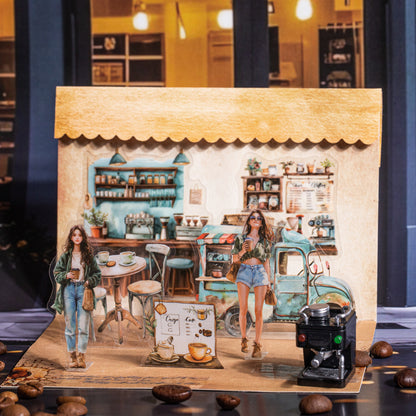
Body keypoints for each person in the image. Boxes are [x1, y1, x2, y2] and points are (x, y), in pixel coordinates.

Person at [52, 225, 101, 368]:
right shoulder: (66, 256)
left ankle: (82, 357)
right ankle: (72, 357)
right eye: (74, 235)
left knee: (83, 325)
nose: (77, 237)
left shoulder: (88, 256)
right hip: (68, 290)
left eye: (79, 235)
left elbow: (97, 273)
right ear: (71, 238)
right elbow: (57, 273)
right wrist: (66, 275)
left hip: (83, 290)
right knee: (70, 325)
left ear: (83, 237)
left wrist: (89, 281)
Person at [231, 210, 273, 358]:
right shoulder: (240, 238)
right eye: (253, 218)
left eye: (259, 218)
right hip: (244, 270)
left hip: (260, 272)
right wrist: (243, 250)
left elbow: (266, 262)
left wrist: (268, 280)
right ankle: (244, 339)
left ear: (262, 222)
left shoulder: (265, 241)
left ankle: (257, 343)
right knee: (243, 308)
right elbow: (234, 259)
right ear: (249, 221)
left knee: (258, 310)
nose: (256, 220)